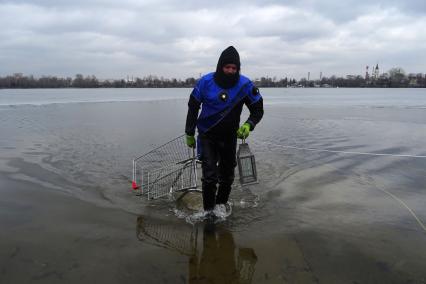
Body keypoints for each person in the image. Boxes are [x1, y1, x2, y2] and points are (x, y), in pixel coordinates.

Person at [185, 46, 264, 216]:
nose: (230, 71)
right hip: (208, 135)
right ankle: (208, 213)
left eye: (234, 68)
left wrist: (248, 125)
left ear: (238, 69)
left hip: (229, 137)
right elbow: (193, 106)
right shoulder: (205, 83)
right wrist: (189, 132)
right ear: (220, 66)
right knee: (210, 177)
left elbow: (258, 110)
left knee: (227, 176)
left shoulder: (245, 85)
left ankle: (220, 207)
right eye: (227, 67)